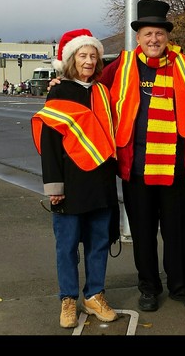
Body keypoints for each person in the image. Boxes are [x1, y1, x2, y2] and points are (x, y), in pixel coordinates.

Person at [50, 0, 185, 313]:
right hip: (136, 168)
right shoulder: (121, 65)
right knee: (143, 232)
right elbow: (90, 89)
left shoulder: (184, 67)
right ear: (138, 38)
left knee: (179, 233)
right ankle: (148, 287)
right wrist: (62, 84)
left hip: (176, 168)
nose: (154, 40)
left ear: (166, 37)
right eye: (148, 34)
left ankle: (180, 285)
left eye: (159, 34)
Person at [31, 29, 119, 329]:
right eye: (83, 55)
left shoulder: (103, 92)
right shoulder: (60, 91)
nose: (89, 60)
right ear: (71, 59)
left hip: (100, 181)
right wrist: (54, 187)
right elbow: (51, 144)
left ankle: (94, 295)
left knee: (98, 243)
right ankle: (68, 298)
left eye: (93, 56)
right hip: (70, 182)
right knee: (67, 246)